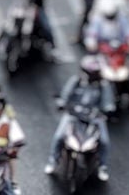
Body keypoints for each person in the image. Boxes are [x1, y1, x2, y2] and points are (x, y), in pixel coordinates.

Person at [45, 54, 110, 182]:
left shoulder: (103, 85)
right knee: (59, 136)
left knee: (104, 141)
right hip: (73, 115)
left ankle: (102, 166)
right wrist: (63, 104)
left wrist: (107, 110)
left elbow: (108, 102)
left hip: (94, 118)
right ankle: (53, 161)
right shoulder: (76, 81)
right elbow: (65, 95)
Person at [82, 0, 129, 111]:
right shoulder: (97, 20)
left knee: (128, 72)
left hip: (119, 51)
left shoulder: (122, 19)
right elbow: (92, 34)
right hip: (103, 53)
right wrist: (91, 43)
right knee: (90, 69)